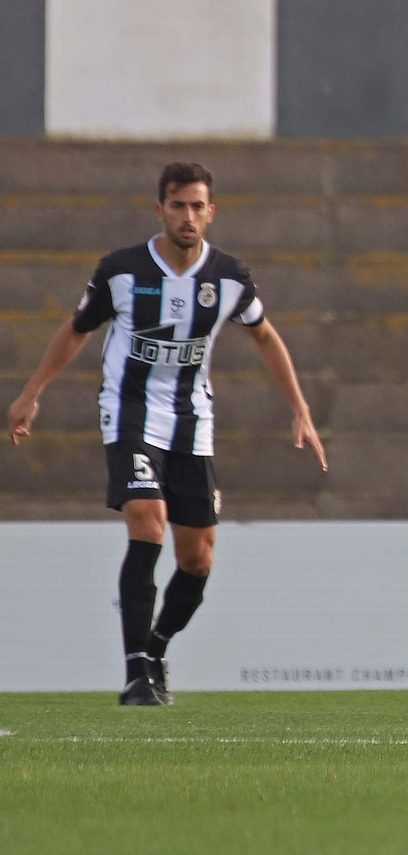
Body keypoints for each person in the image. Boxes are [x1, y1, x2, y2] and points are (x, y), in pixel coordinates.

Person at [6, 162, 327, 706]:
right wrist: (32, 391)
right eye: (178, 205)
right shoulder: (123, 270)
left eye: (198, 206)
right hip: (129, 410)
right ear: (160, 210)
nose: (188, 216)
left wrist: (300, 408)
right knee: (147, 520)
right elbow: (76, 330)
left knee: (198, 558)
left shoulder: (229, 278)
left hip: (191, 422)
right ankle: (135, 674)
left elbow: (266, 337)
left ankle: (155, 651)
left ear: (211, 212)